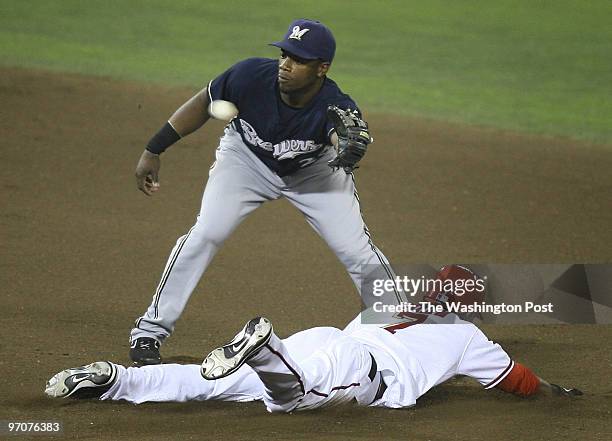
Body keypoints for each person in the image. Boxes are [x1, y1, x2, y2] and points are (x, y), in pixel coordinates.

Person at [128, 18, 398, 366]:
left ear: (322, 68)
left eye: (298, 60)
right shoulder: (249, 76)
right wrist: (154, 149)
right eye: (285, 54)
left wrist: (343, 144)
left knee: (356, 251)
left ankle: (405, 329)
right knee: (206, 233)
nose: (286, 65)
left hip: (314, 174)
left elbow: (340, 134)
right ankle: (150, 331)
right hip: (245, 161)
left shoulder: (336, 105)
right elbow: (202, 104)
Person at [46, 268, 582, 411]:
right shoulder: (468, 336)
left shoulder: (386, 305)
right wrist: (557, 392)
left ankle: (116, 381)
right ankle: (266, 351)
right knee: (295, 398)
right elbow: (520, 383)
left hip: (324, 340)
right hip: (356, 373)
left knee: (210, 385)